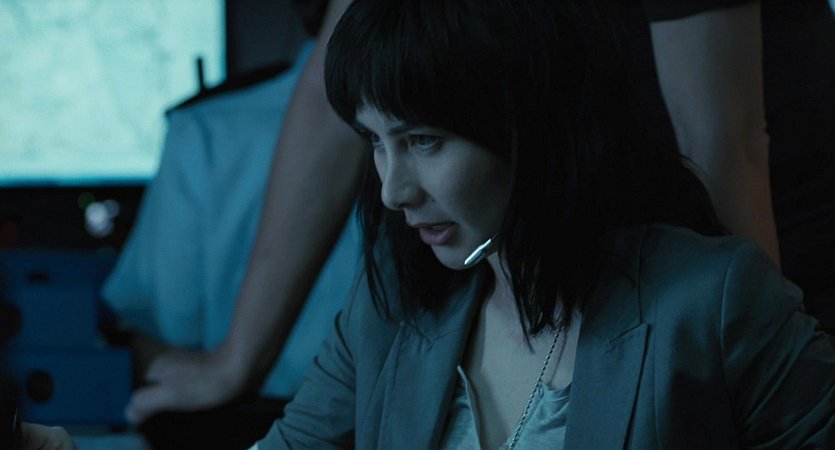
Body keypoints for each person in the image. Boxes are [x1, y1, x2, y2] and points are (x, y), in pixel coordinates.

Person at [254, 0, 835, 448]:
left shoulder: (712, 302)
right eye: (375, 142)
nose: (393, 191)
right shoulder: (391, 305)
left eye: (424, 140)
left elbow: (729, 140)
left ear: (528, 127)